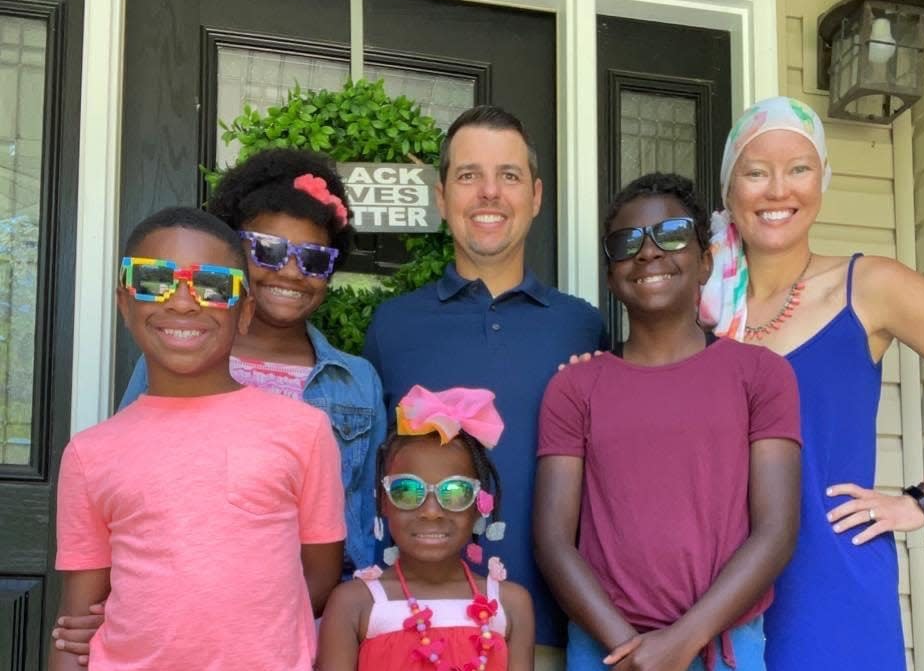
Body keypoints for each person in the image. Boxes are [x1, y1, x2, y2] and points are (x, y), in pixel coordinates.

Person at [53, 149, 387, 664]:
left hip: (290, 635)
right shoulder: (171, 357)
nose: (292, 270)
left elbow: (355, 525)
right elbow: (131, 482)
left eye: (314, 259)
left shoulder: (353, 382)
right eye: (268, 251)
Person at [699, 95, 924, 670]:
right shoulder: (703, 311)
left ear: (822, 181)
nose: (777, 190)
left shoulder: (869, 285)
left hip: (831, 589)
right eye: (756, 171)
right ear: (729, 189)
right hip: (714, 594)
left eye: (799, 168)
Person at [363, 105, 606, 665]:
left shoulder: (582, 325)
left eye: (510, 176)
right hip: (410, 630)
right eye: (469, 176)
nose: (490, 193)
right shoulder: (394, 327)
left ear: (537, 196)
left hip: (552, 632)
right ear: (441, 197)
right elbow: (367, 482)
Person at [535, 173, 801, 671]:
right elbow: (553, 541)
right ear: (612, 274)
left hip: (724, 644)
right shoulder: (575, 388)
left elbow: (777, 530)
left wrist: (681, 641)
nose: (649, 251)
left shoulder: (761, 375)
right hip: (604, 648)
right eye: (627, 241)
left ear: (704, 262)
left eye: (672, 234)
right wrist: (631, 651)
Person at [320, 385, 535, 670]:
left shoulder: (511, 604)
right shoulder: (353, 604)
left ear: (479, 503)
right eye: (407, 491)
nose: (431, 512)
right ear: (384, 502)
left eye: (455, 492)